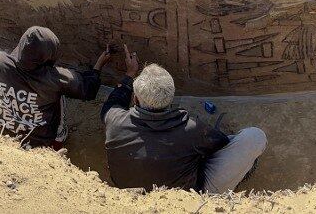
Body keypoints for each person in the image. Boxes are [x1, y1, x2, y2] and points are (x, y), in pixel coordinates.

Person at [103, 54, 267, 193]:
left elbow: (113, 102)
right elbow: (221, 143)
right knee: (254, 137)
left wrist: (129, 74)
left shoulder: (114, 119)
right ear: (170, 99)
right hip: (185, 199)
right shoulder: (191, 128)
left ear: (135, 99)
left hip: (128, 197)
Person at [0, 26, 105, 149]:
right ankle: (58, 137)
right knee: (60, 97)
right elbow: (88, 89)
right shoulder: (56, 79)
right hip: (34, 144)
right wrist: (98, 66)